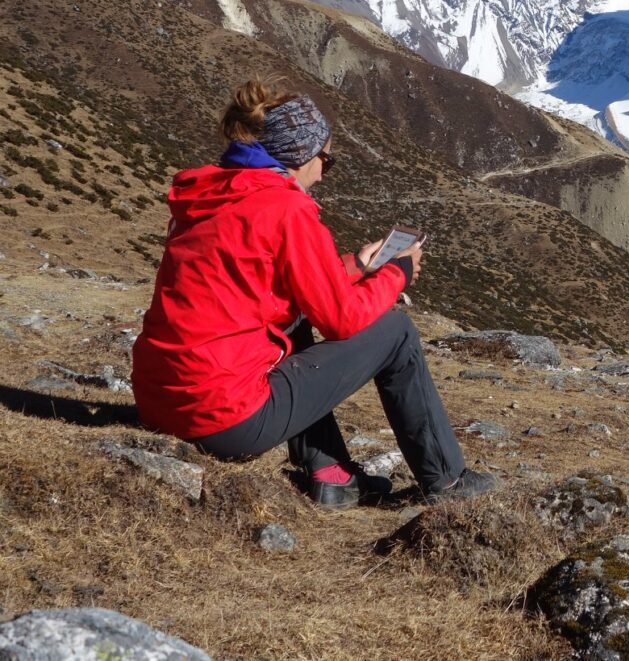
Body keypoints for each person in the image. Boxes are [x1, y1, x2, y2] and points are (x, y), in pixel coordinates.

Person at [131, 79, 495, 507]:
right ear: (300, 156)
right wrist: (395, 275)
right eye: (325, 158)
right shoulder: (286, 208)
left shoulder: (212, 195)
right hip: (225, 420)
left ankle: (331, 473)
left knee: (297, 315)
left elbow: (269, 284)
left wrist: (357, 266)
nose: (324, 170)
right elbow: (341, 320)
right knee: (396, 331)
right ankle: (447, 481)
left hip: (160, 404)